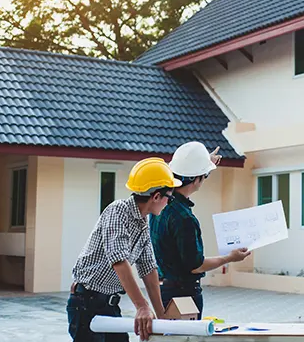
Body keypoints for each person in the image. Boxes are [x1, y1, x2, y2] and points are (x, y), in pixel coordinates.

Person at [67, 158, 182, 342]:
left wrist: (161, 318)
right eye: (170, 196)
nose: (169, 202)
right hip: (86, 302)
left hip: (109, 304)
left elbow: (149, 270)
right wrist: (142, 306)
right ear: (156, 196)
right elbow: (119, 261)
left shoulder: (143, 223)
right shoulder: (118, 211)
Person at [150, 142, 251, 318]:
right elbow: (195, 266)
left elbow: (190, 178)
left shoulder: (160, 203)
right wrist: (230, 257)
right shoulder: (185, 219)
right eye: (204, 176)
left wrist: (206, 164)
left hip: (163, 290)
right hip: (183, 295)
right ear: (197, 179)